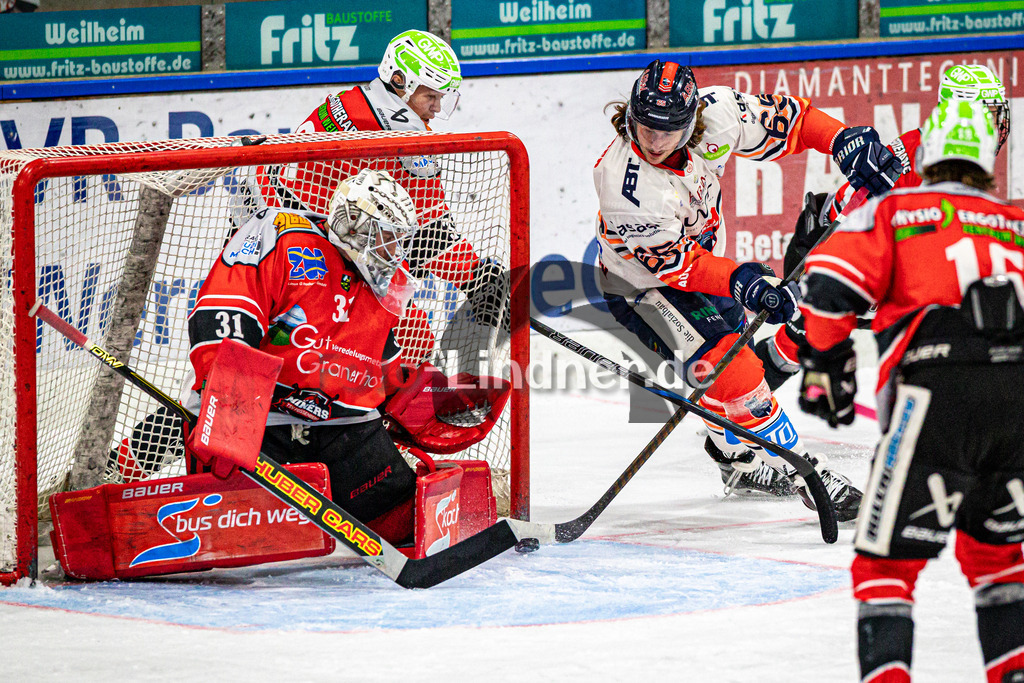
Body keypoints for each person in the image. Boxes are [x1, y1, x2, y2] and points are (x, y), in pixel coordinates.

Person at [595, 59, 899, 514]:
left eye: (668, 130)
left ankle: (732, 455)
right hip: (641, 286)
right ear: (630, 116)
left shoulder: (717, 114)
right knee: (731, 370)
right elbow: (679, 270)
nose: (654, 142)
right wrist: (742, 281)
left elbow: (792, 121)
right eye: (644, 128)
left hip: (703, 263)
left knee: (731, 367)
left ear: (693, 119)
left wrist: (841, 141)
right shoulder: (624, 185)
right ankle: (807, 472)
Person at [797, 99, 1024, 683]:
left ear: (925, 155)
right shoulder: (1017, 223)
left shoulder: (897, 208)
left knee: (884, 570)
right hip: (1019, 403)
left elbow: (828, 286)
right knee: (1000, 565)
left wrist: (827, 364)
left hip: (933, 399)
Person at [187, 169, 421, 542]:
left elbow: (383, 362)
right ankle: (125, 469)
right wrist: (231, 415)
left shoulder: (388, 279)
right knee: (249, 536)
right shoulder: (281, 235)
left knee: (404, 517)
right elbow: (222, 316)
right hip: (256, 417)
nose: (395, 252)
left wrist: (421, 402)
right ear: (352, 226)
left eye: (399, 241)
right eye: (387, 239)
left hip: (339, 425)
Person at [256, 29, 507, 364]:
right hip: (302, 249)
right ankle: (367, 413)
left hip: (268, 229)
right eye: (430, 96)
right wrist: (478, 278)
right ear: (400, 81)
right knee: (410, 336)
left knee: (253, 333)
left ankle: (210, 398)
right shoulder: (402, 133)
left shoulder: (353, 102)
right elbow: (431, 234)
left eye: (441, 97)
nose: (437, 106)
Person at [762, 63, 1012, 398]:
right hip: (829, 254)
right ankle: (735, 401)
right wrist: (814, 289)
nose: (998, 126)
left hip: (876, 263)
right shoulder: (906, 159)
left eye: (998, 115)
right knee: (799, 340)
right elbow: (843, 228)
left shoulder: (949, 153)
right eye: (990, 115)